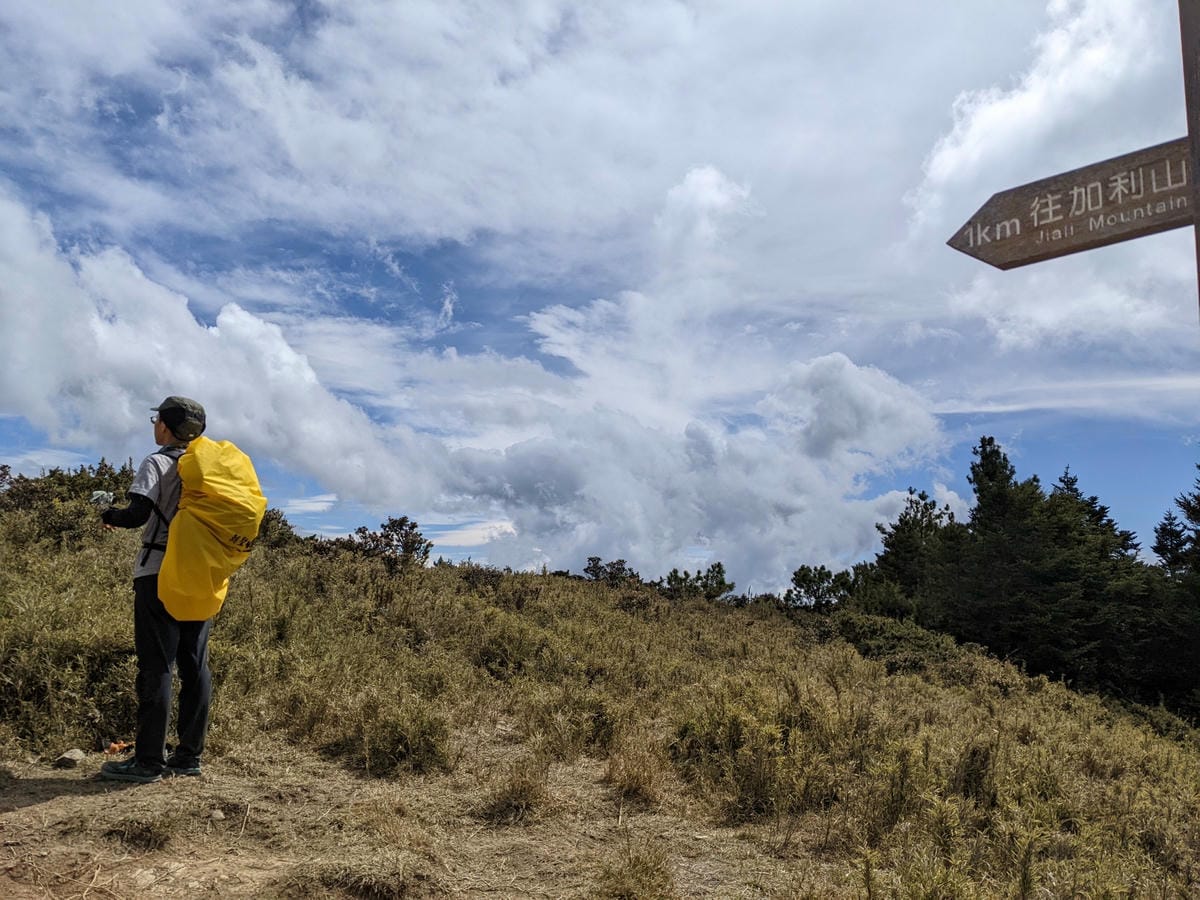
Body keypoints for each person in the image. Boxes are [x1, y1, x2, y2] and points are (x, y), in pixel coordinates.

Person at [98, 396, 211, 784]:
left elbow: (137, 515)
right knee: (195, 666)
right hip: (203, 577)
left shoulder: (158, 462)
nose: (153, 425)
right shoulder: (209, 470)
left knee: (157, 665)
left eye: (155, 419)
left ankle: (148, 761)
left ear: (165, 426)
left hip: (159, 572)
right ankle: (188, 756)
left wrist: (108, 514)